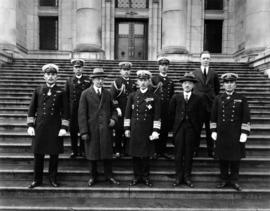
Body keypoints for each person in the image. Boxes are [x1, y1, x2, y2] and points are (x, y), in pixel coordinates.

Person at [26, 63, 69, 188]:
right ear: (44, 76)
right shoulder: (38, 90)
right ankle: (37, 180)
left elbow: (66, 111)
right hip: (39, 126)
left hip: (54, 127)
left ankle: (52, 179)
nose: (50, 77)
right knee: (38, 154)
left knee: (54, 155)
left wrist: (64, 127)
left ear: (56, 77)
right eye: (48, 74)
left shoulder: (61, 91)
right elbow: (31, 108)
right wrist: (30, 125)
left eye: (53, 74)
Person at [78, 67, 120, 186]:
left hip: (106, 129)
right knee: (92, 154)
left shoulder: (108, 94)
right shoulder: (85, 94)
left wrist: (113, 119)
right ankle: (92, 176)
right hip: (92, 129)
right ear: (93, 80)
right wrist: (84, 131)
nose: (100, 81)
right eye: (97, 79)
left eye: (102, 79)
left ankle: (109, 176)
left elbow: (114, 110)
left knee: (107, 154)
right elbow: (81, 114)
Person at [210, 73, 251, 191]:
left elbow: (246, 116)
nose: (229, 85)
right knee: (222, 157)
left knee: (235, 158)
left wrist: (244, 132)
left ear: (235, 84)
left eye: (231, 82)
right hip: (222, 133)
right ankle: (223, 179)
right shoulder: (218, 98)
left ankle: (234, 180)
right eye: (227, 82)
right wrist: (213, 130)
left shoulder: (241, 98)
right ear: (223, 85)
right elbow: (213, 116)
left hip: (236, 133)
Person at [124, 70, 161, 187]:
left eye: (145, 80)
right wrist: (126, 128)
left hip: (147, 130)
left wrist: (156, 130)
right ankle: (136, 176)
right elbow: (127, 113)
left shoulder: (154, 96)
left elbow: (157, 116)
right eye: (141, 80)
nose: (143, 83)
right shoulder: (132, 96)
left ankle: (145, 177)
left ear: (149, 81)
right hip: (135, 129)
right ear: (137, 82)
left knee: (146, 155)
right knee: (135, 155)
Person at [169, 72, 203, 188]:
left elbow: (200, 116)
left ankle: (187, 177)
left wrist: (196, 129)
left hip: (191, 129)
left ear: (193, 85)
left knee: (189, 154)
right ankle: (179, 177)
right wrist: (174, 127)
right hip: (179, 129)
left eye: (189, 83)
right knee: (178, 154)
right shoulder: (176, 97)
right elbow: (171, 114)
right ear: (182, 85)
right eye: (185, 83)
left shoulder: (198, 98)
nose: (187, 85)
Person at [193, 51, 220, 157]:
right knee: (196, 129)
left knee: (211, 130)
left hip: (210, 106)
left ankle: (211, 150)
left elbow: (217, 89)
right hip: (198, 107)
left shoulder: (214, 74)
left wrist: (212, 99)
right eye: (204, 58)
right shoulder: (194, 73)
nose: (206, 60)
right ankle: (195, 149)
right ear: (200, 59)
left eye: (208, 58)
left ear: (210, 60)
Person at [65, 58, 91, 158]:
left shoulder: (88, 80)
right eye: (76, 67)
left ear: (82, 68)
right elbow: (66, 97)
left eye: (80, 67)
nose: (78, 69)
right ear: (73, 69)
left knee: (84, 129)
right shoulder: (69, 81)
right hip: (73, 111)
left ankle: (83, 150)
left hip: (84, 109)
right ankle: (74, 150)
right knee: (73, 131)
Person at [110, 61, 136, 158]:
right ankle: (117, 149)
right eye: (124, 70)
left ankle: (126, 149)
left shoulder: (133, 83)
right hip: (120, 111)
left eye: (128, 70)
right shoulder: (117, 82)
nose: (126, 72)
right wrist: (117, 108)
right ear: (120, 71)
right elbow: (112, 97)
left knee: (128, 130)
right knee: (119, 131)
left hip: (130, 111)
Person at [151, 57, 174, 159]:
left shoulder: (170, 81)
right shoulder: (154, 79)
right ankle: (155, 151)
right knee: (156, 130)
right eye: (162, 65)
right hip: (156, 109)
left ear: (168, 67)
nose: (164, 67)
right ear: (159, 67)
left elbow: (172, 96)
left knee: (164, 130)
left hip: (166, 110)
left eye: (166, 65)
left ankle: (163, 151)